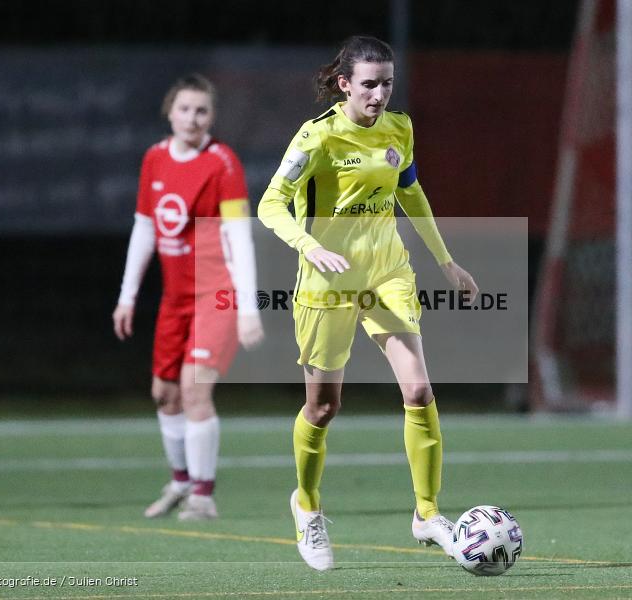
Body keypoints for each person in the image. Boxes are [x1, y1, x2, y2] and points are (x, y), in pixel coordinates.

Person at [258, 36, 478, 570]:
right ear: (344, 85)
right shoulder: (319, 138)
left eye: (387, 83)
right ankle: (306, 505)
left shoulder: (399, 127)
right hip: (326, 283)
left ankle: (427, 514)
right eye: (369, 84)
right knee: (324, 407)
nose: (379, 94)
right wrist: (311, 246)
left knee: (420, 390)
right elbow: (271, 204)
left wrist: (446, 260)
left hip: (388, 274)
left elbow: (410, 191)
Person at [113, 74, 264, 521]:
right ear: (170, 113)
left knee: (195, 390)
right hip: (175, 298)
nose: (192, 118)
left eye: (201, 111)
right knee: (165, 394)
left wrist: (248, 308)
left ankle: (203, 495)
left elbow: (240, 235)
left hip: (217, 293)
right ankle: (180, 481)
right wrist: (127, 296)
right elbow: (145, 226)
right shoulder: (155, 158)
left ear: (211, 117)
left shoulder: (223, 163)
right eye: (184, 109)